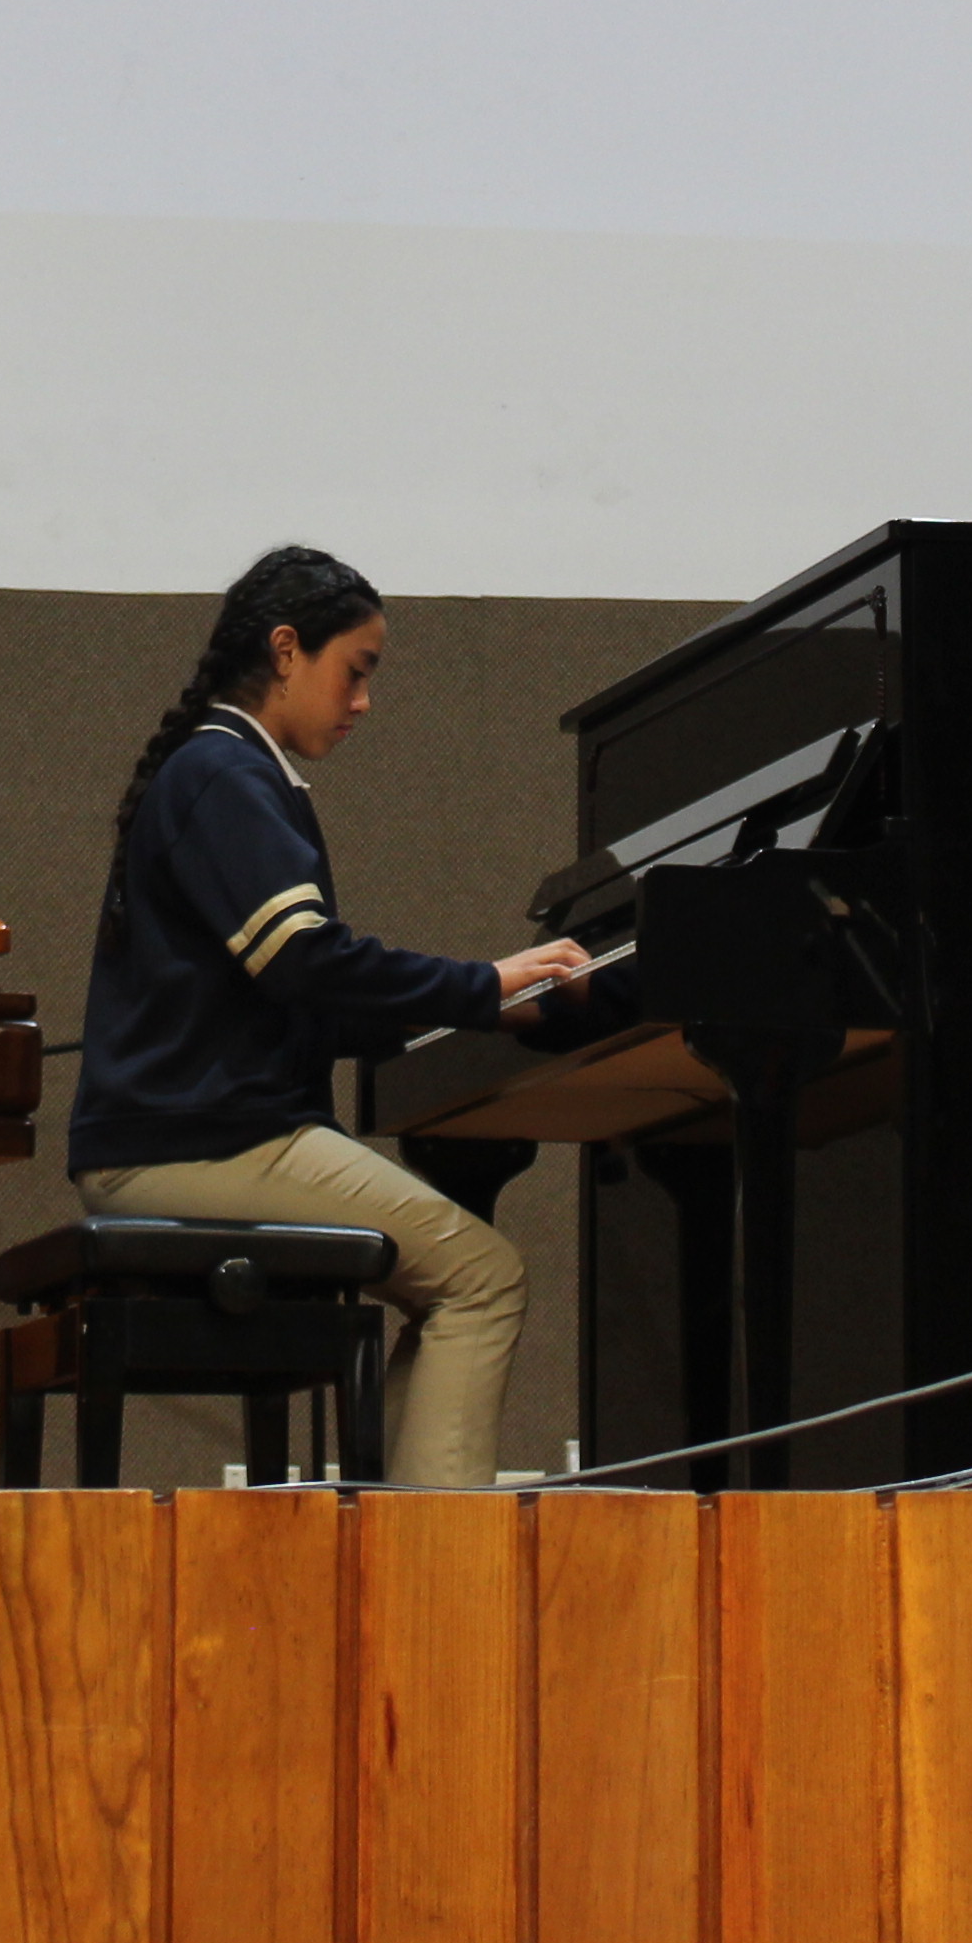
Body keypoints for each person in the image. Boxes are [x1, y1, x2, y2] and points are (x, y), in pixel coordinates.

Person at [67, 545, 590, 1486]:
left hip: (186, 1135)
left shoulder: (222, 770)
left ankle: (396, 1521)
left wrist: (493, 1010)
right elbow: (305, 961)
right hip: (198, 1145)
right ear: (285, 651)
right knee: (482, 1279)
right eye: (356, 670)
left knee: (464, 1281)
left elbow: (296, 1002)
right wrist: (483, 987)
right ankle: (432, 1550)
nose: (363, 701)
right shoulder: (224, 773)